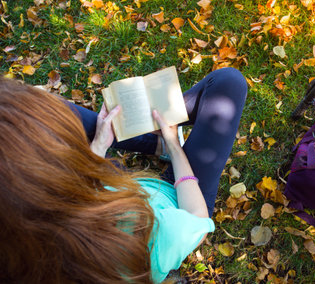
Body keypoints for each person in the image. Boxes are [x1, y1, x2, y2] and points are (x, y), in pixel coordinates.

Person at [0, 67, 247, 283]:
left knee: (62, 114)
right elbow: (197, 220)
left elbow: (81, 188)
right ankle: (161, 143)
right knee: (229, 83)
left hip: (109, 185)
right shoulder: (151, 238)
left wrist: (98, 146)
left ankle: (154, 144)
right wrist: (173, 145)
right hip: (178, 197)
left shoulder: (29, 237)